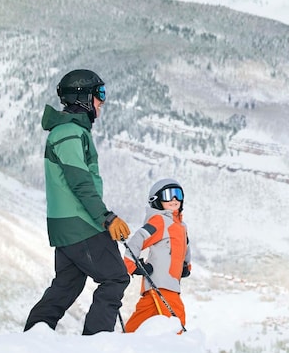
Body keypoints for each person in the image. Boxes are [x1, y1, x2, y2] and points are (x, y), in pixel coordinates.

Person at [24, 69, 132, 335]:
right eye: (99, 94)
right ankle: (95, 343)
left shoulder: (70, 131)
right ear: (82, 97)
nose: (102, 101)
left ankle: (34, 336)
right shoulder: (69, 133)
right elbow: (80, 183)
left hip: (67, 225)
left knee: (67, 285)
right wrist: (106, 218)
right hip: (81, 224)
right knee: (115, 277)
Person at [122, 178, 191, 332]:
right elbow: (138, 239)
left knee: (142, 319)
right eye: (168, 195)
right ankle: (179, 344)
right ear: (157, 200)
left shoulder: (181, 226)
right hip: (161, 282)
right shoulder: (160, 221)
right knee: (176, 320)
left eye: (178, 194)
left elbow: (185, 246)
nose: (174, 199)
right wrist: (131, 265)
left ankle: (124, 341)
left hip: (165, 284)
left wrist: (187, 265)